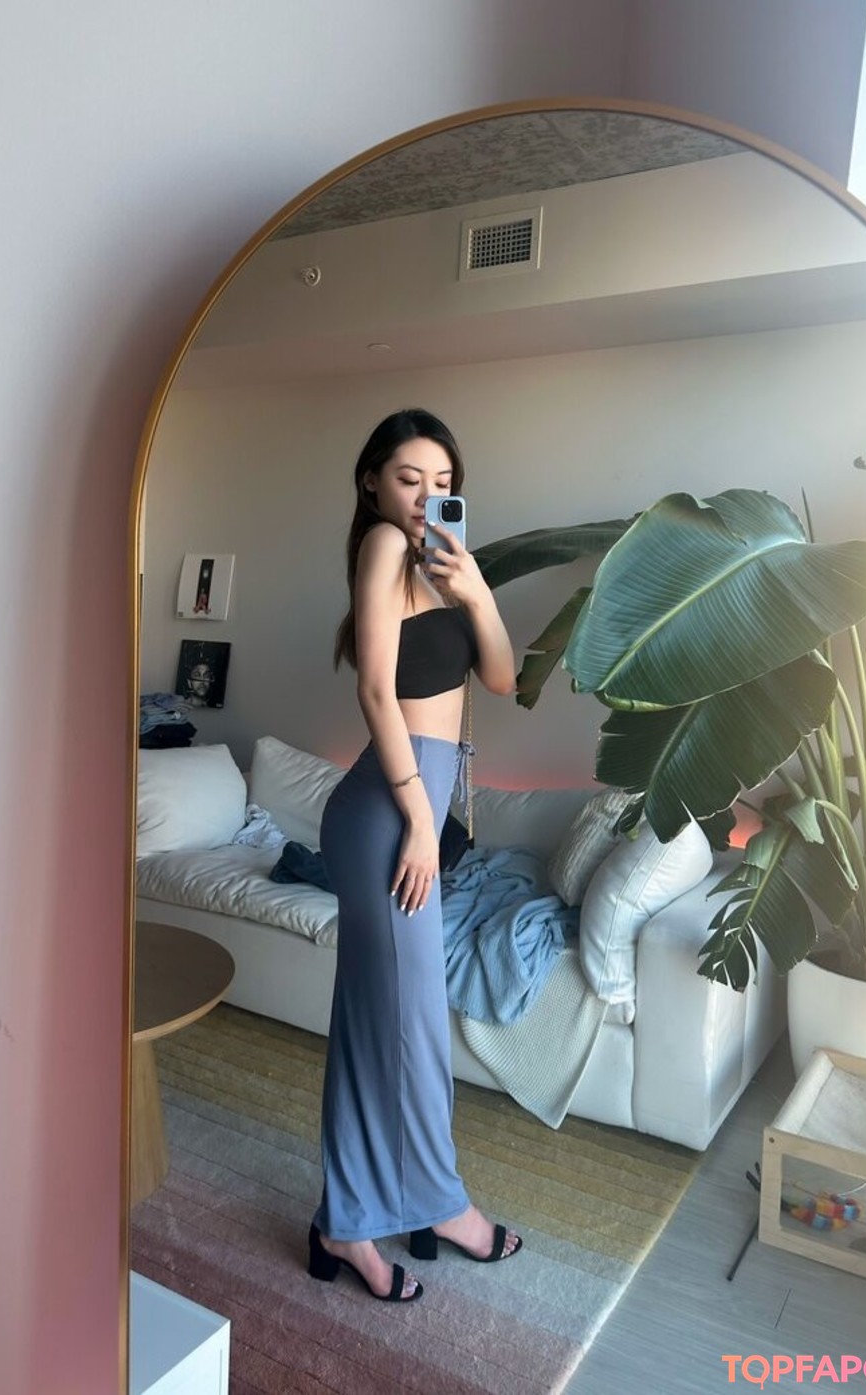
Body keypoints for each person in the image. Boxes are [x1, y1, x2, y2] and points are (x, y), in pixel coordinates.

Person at [307, 408, 521, 1304]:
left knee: (375, 1025)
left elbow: (503, 680)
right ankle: (440, 1205)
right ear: (372, 481)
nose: (426, 497)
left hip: (412, 806)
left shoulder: (440, 565)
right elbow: (373, 689)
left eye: (443, 483)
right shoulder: (384, 547)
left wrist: (477, 592)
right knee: (416, 1028)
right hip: (392, 813)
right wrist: (420, 821)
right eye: (409, 479)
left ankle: (345, 1223)